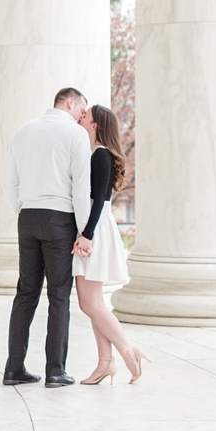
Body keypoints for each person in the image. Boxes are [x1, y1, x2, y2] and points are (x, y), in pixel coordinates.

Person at [1, 87, 94, 388]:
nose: (82, 117)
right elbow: (81, 188)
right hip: (60, 219)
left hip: (27, 217)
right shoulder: (75, 134)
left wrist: (22, 209)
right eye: (82, 110)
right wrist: (83, 231)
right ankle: (56, 371)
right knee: (58, 296)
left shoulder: (22, 131)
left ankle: (14, 368)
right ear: (70, 102)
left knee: (25, 293)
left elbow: (9, 182)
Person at [72, 104, 148, 385]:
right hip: (92, 229)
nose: (80, 118)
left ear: (95, 125)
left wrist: (87, 235)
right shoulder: (96, 154)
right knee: (94, 303)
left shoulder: (101, 155)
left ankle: (129, 352)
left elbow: (99, 204)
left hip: (95, 230)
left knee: (89, 303)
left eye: (85, 116)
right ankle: (105, 363)